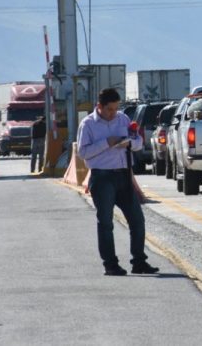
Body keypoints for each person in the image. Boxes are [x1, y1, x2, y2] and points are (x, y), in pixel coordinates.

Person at [77, 88, 159, 276]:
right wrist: (108, 142)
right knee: (106, 222)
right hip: (102, 177)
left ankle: (139, 261)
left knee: (137, 220)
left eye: (116, 108)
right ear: (99, 107)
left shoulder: (123, 119)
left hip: (123, 175)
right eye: (109, 110)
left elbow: (137, 142)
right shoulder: (88, 124)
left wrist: (129, 143)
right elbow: (82, 153)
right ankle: (110, 264)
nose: (113, 113)